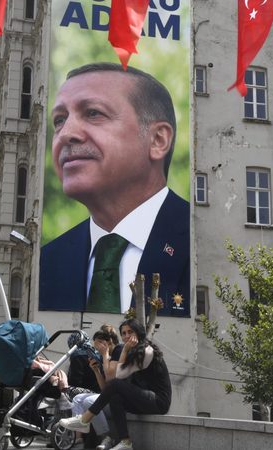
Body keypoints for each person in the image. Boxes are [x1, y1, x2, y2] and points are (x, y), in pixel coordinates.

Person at [39, 63, 190, 317]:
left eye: (93, 113)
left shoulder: (202, 240)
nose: (66, 134)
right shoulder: (48, 261)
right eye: (59, 120)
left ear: (158, 140)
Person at [60, 319, 171, 450]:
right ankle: (125, 442)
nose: (126, 336)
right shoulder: (133, 351)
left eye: (130, 332)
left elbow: (118, 376)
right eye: (123, 333)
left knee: (116, 384)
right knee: (115, 397)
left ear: (139, 332)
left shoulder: (146, 351)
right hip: (144, 400)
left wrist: (123, 351)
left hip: (158, 401)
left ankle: (84, 420)